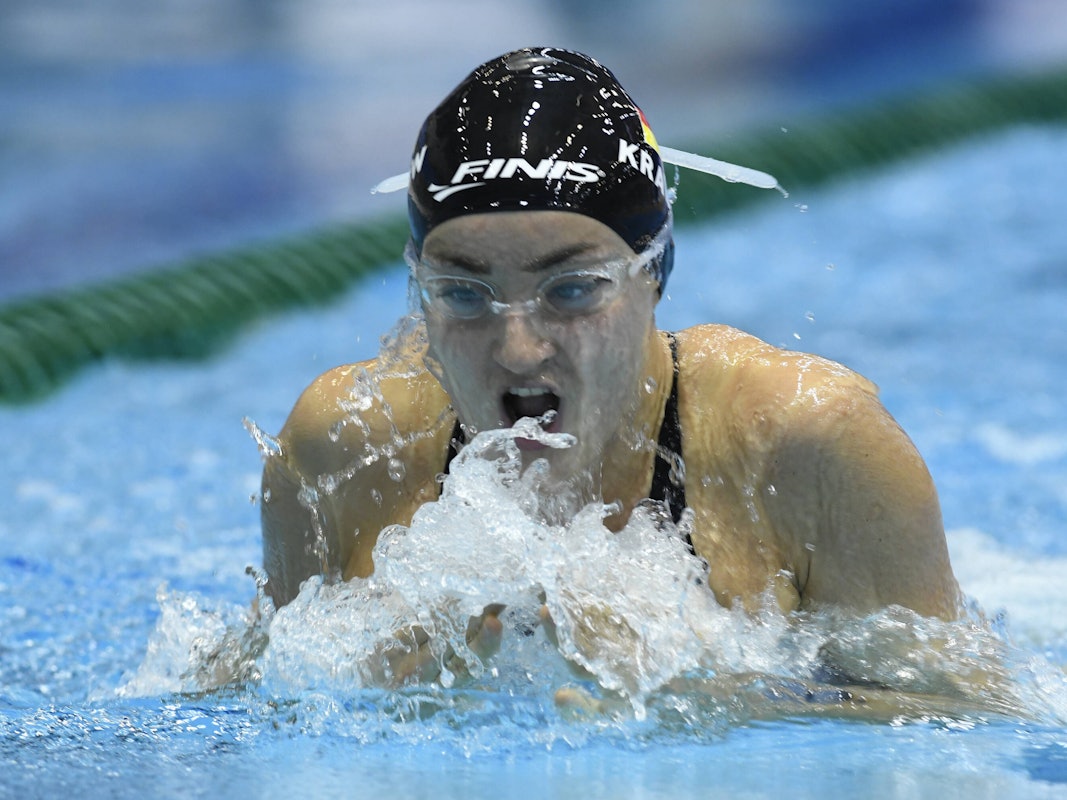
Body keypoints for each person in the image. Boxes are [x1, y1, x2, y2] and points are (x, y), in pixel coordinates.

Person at [260, 48, 961, 656]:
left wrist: (710, 704)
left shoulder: (807, 444)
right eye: (464, 294)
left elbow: (954, 725)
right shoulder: (343, 450)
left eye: (570, 290)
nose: (519, 350)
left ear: (653, 274)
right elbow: (239, 707)